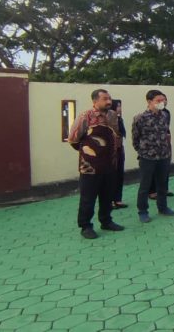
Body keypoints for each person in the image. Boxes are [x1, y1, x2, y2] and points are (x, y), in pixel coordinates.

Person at [67, 89, 125, 239]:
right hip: (90, 166)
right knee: (88, 198)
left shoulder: (113, 116)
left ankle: (106, 221)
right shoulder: (85, 116)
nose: (109, 101)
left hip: (110, 164)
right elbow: (73, 139)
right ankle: (86, 226)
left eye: (109, 98)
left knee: (107, 196)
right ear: (95, 101)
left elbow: (116, 136)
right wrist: (89, 152)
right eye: (105, 99)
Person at [132, 90, 174, 222]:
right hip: (147, 157)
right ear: (149, 101)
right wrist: (143, 151)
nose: (162, 103)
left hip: (164, 156)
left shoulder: (164, 115)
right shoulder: (140, 118)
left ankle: (163, 207)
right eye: (158, 101)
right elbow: (135, 138)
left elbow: (166, 133)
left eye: (163, 100)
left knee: (162, 184)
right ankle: (143, 211)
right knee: (145, 185)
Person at [148, 93, 173, 199]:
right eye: (160, 100)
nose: (163, 102)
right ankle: (152, 191)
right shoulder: (145, 116)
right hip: (152, 147)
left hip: (165, 144)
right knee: (153, 170)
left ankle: (164, 189)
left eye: (164, 100)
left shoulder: (166, 113)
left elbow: (166, 128)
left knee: (165, 167)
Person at [110, 99, 128, 209]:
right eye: (117, 106)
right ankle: (110, 200)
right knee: (111, 176)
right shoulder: (108, 119)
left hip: (120, 149)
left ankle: (117, 199)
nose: (120, 108)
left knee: (119, 175)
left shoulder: (120, 119)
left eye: (120, 106)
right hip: (111, 152)